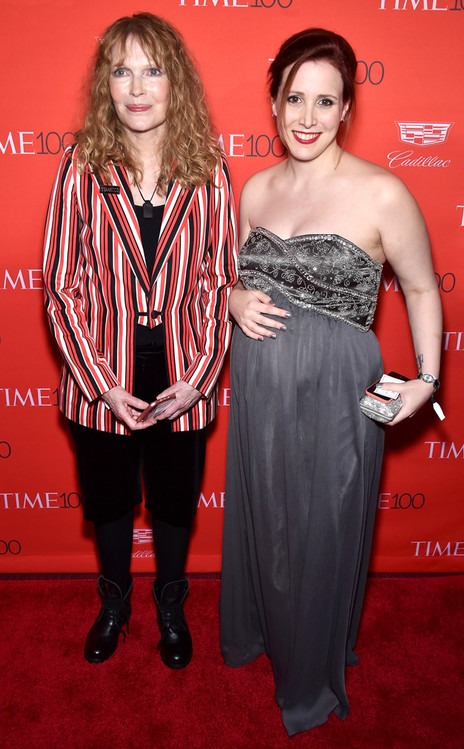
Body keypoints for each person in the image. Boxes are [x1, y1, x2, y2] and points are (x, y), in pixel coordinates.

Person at [219, 28, 442, 735]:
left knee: (325, 526)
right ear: (274, 103)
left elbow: (422, 289)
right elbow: (234, 276)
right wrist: (229, 298)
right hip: (260, 391)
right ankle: (260, 629)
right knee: (267, 516)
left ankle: (310, 671)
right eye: (294, 99)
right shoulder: (253, 189)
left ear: (347, 108)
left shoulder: (382, 192)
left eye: (325, 100)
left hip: (340, 396)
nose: (307, 117)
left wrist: (428, 379)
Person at [43, 12, 237, 669]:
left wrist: (202, 376)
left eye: (152, 70)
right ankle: (115, 603)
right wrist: (101, 384)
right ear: (107, 84)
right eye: (121, 70)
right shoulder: (81, 167)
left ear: (175, 82)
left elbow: (220, 284)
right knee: (109, 502)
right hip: (102, 376)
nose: (137, 86)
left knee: (176, 503)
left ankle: (172, 608)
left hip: (185, 374)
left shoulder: (209, 167)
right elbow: (61, 287)